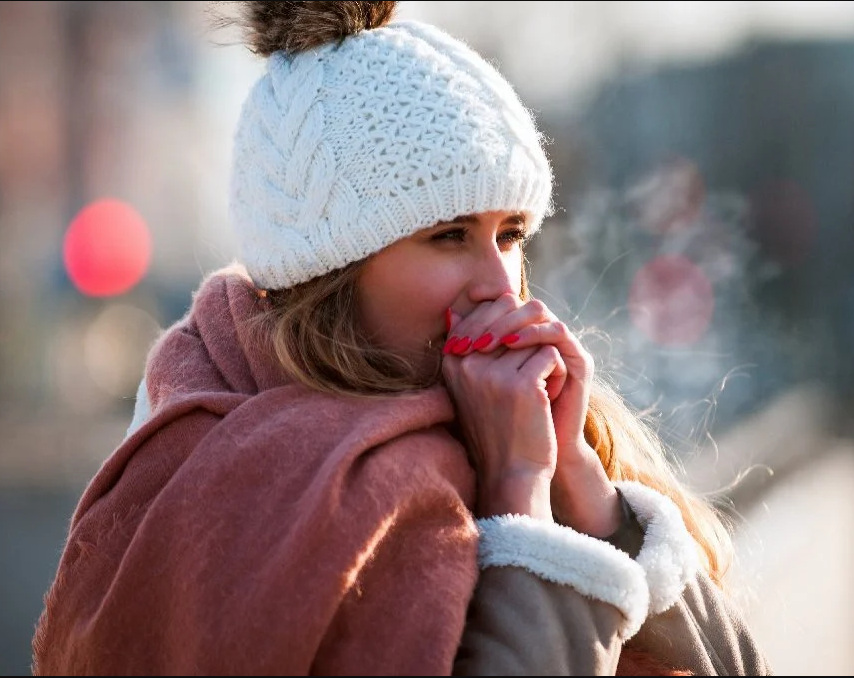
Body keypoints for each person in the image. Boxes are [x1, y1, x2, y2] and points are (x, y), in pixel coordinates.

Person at [32, 2, 772, 675]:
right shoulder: (231, 471)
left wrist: (584, 487)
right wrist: (521, 504)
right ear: (332, 275)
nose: (500, 284)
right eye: (448, 236)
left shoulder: (547, 433)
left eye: (509, 234)